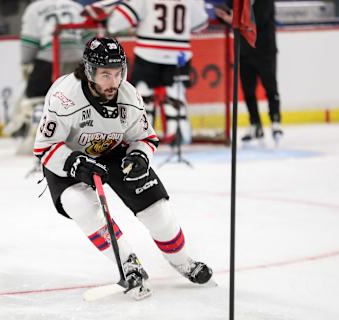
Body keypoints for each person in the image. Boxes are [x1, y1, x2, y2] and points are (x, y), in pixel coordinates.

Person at [33, 37, 212, 299]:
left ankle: (183, 261)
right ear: (89, 71)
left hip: (114, 151)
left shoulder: (129, 96)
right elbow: (45, 147)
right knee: (79, 204)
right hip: (69, 157)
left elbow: (146, 138)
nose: (113, 82)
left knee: (158, 212)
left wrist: (139, 157)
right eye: (106, 74)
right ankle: (128, 264)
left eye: (118, 74)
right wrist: (74, 164)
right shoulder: (64, 97)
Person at [82, 0, 209, 144]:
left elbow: (116, 23)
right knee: (176, 94)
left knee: (143, 95)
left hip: (148, 52)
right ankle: (179, 135)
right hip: (179, 54)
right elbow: (202, 23)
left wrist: (108, 16)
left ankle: (143, 137)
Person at [4, 0, 87, 154]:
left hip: (49, 60)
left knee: (35, 97)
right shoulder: (76, 7)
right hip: (78, 60)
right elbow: (90, 37)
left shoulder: (35, 8)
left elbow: (29, 43)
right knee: (79, 98)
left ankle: (36, 137)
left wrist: (26, 63)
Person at [215, 0, 283, 142]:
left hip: (265, 50)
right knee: (248, 91)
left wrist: (233, 17)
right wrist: (222, 15)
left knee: (270, 87)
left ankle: (275, 121)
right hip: (244, 52)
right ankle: (255, 124)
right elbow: (228, 11)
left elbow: (259, 19)